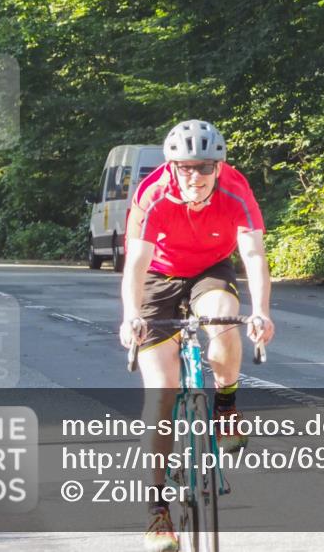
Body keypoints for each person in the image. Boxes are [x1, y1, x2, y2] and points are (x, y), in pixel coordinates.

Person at [118, 119, 275, 552]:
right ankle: (157, 514)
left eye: (203, 167)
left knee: (224, 318)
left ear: (218, 166)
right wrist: (131, 316)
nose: (193, 176)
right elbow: (134, 264)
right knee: (161, 394)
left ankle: (225, 405)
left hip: (210, 270)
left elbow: (254, 255)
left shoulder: (236, 190)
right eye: (183, 167)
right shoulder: (152, 194)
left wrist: (261, 311)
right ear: (170, 166)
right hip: (157, 277)